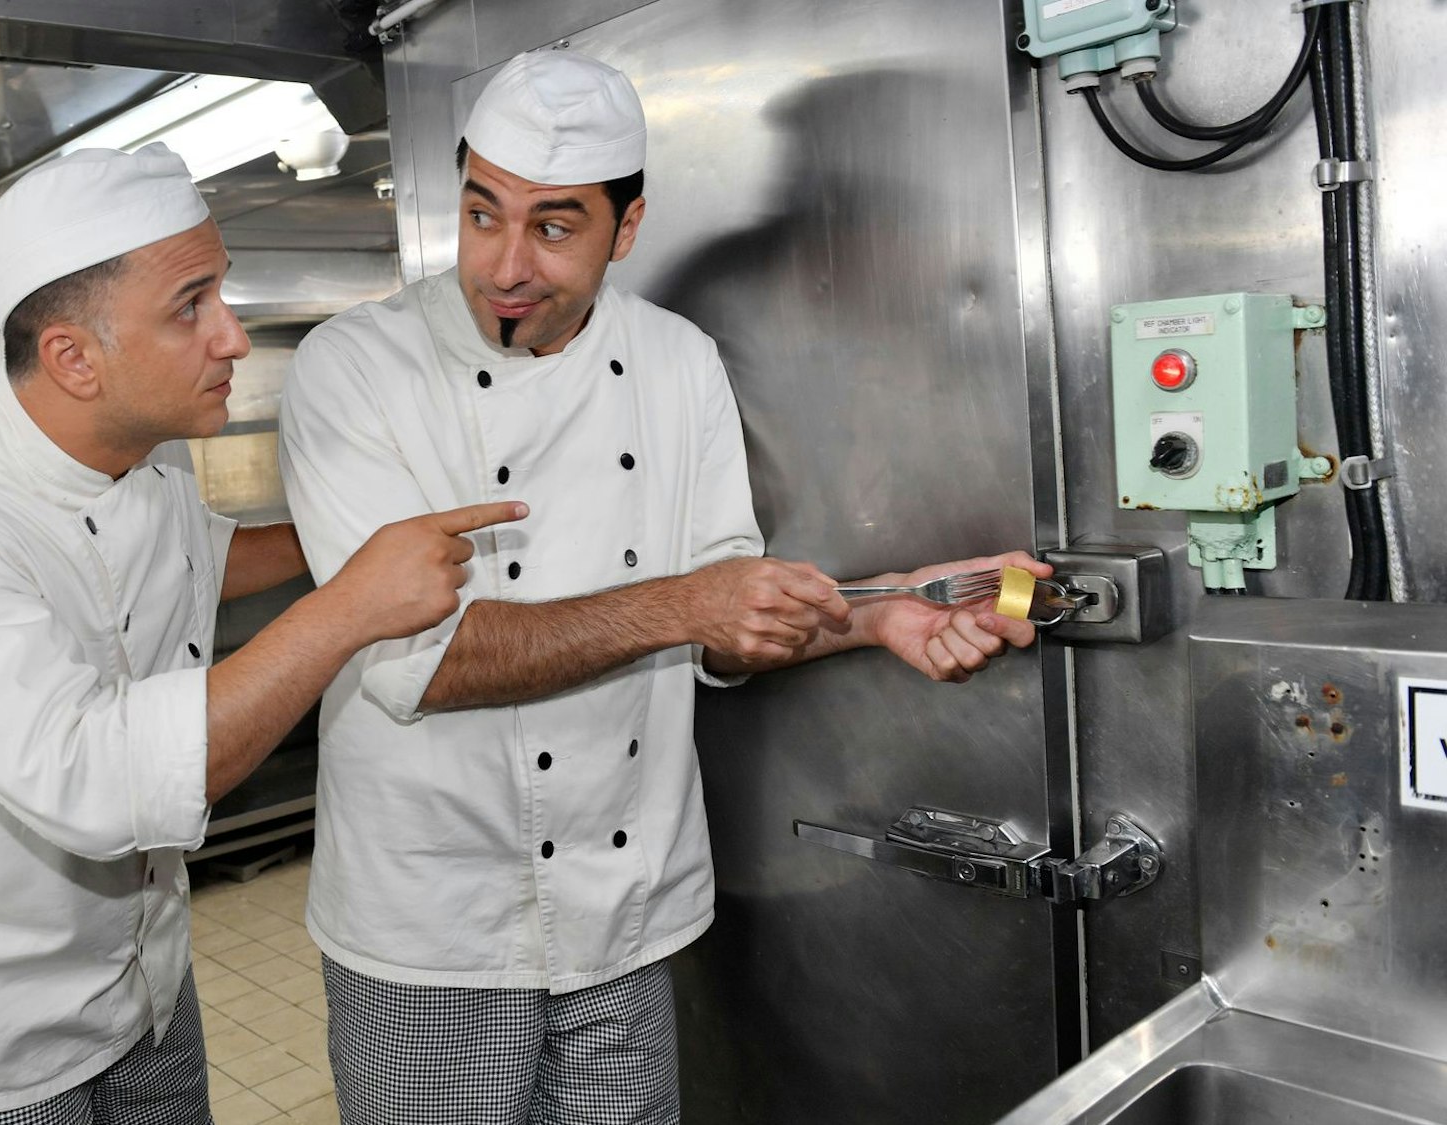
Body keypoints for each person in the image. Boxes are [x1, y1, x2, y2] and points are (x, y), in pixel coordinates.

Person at [277, 49, 1050, 1124]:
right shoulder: (353, 368)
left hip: (625, 912)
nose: (503, 265)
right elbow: (426, 657)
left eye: (552, 227)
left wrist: (878, 609)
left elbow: (724, 630)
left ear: (622, 230)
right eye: (480, 213)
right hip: (430, 925)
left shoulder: (677, 360)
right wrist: (687, 604)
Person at [0, 143, 524, 1124]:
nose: (233, 339)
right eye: (190, 306)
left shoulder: (149, 461)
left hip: (146, 988)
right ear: (75, 358)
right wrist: (348, 607)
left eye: (224, 295)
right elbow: (93, 781)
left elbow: (197, 564)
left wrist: (351, 538)